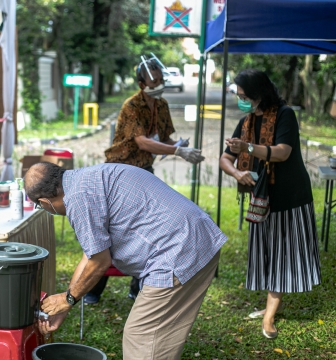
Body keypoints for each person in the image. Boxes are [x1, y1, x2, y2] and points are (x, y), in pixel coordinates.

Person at [25, 162, 227, 359]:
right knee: (161, 336)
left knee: (141, 336)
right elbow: (90, 255)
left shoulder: (77, 199)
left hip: (177, 251)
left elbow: (100, 262)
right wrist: (68, 301)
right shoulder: (87, 179)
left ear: (44, 202)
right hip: (200, 237)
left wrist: (68, 299)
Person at [87, 58, 205, 304]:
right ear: (141, 84)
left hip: (144, 170)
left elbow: (165, 139)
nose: (159, 85)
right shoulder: (132, 105)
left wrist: (184, 149)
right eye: (154, 82)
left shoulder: (161, 105)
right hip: (120, 171)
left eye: (161, 80)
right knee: (112, 228)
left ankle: (138, 286)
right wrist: (177, 151)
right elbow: (142, 141)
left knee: (147, 226)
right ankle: (93, 289)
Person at [219, 69, 321, 339]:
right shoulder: (245, 121)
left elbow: (282, 152)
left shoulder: (285, 115)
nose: (241, 100)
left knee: (283, 256)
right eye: (238, 96)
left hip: (290, 197)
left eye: (244, 96)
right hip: (261, 200)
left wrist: (248, 148)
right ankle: (270, 304)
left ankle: (269, 316)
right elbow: (224, 158)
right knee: (267, 254)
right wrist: (237, 172)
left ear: (259, 93)